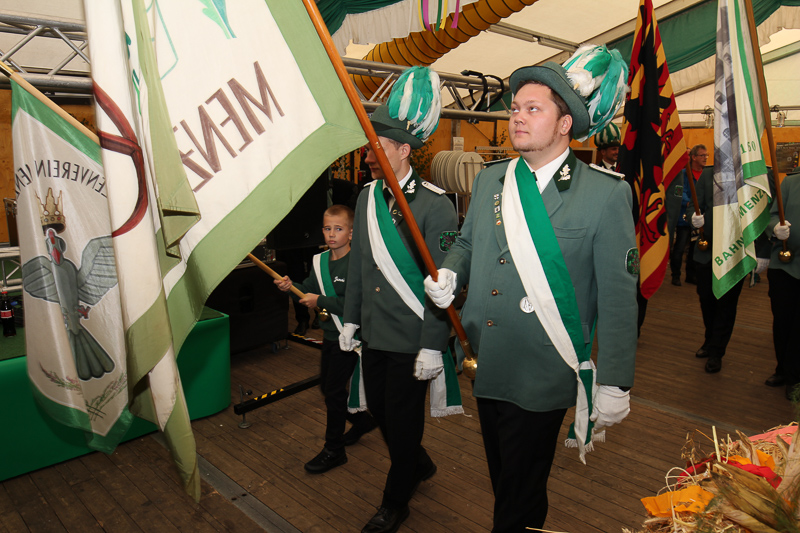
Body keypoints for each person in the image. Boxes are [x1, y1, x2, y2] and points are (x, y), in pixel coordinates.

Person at [425, 52, 637, 532]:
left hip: (544, 366)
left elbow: (618, 298)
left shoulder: (605, 194)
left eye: (532, 109)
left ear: (564, 123)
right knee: (505, 477)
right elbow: (466, 242)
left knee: (519, 491)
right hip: (487, 356)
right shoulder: (491, 179)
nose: (517, 116)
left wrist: (615, 381)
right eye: (515, 108)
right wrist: (451, 272)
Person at [340, 67, 459, 533]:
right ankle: (419, 464)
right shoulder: (367, 197)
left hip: (413, 336)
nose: (369, 155)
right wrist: (351, 319)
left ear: (404, 150)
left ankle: (396, 501)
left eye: (378, 147)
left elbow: (444, 284)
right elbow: (359, 266)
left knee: (403, 421)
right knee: (381, 411)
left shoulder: (435, 204)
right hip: (375, 331)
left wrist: (433, 343)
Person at [274, 205, 377, 473]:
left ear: (351, 233)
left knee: (333, 392)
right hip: (331, 335)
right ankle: (363, 422)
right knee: (327, 388)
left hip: (352, 338)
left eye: (338, 229)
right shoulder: (319, 261)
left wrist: (320, 301)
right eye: (327, 228)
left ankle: (334, 449)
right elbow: (306, 290)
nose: (332, 234)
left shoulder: (358, 262)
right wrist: (290, 287)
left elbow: (357, 304)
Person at [689, 167, 745, 374]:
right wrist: (694, 217)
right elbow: (694, 205)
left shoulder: (747, 173)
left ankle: (716, 351)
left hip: (734, 252)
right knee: (706, 299)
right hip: (708, 251)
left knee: (726, 305)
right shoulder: (708, 174)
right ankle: (710, 338)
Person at [765, 167, 800, 400]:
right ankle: (782, 368)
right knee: (783, 321)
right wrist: (775, 229)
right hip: (785, 266)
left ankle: (794, 377)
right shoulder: (790, 183)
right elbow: (772, 216)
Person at [666, 145, 707, 286]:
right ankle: (675, 275)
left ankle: (691, 274)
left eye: (706, 155)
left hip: (700, 218)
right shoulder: (683, 174)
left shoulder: (706, 175)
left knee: (695, 248)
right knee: (680, 247)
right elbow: (679, 191)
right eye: (702, 155)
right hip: (684, 218)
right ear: (693, 157)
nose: (705, 158)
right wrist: (690, 202)